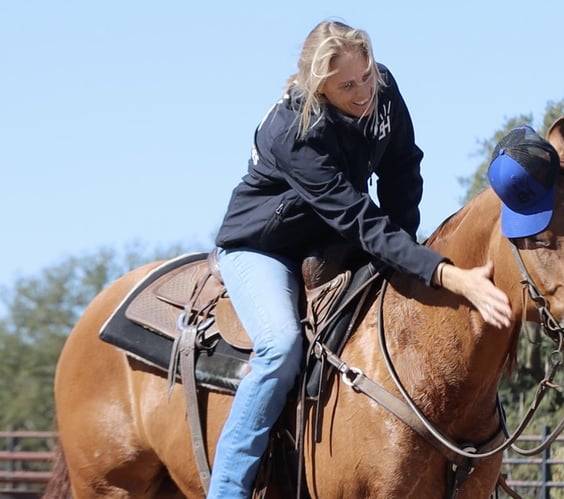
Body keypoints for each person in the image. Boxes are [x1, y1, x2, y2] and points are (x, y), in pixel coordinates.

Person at [208, 19, 512, 497]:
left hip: (333, 238)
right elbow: (358, 218)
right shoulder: (292, 130)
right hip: (264, 246)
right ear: (319, 88)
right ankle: (227, 488)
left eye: (366, 75)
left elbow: (402, 166)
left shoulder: (382, 90)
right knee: (280, 347)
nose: (364, 91)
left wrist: (406, 248)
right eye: (347, 86)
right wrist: (444, 273)